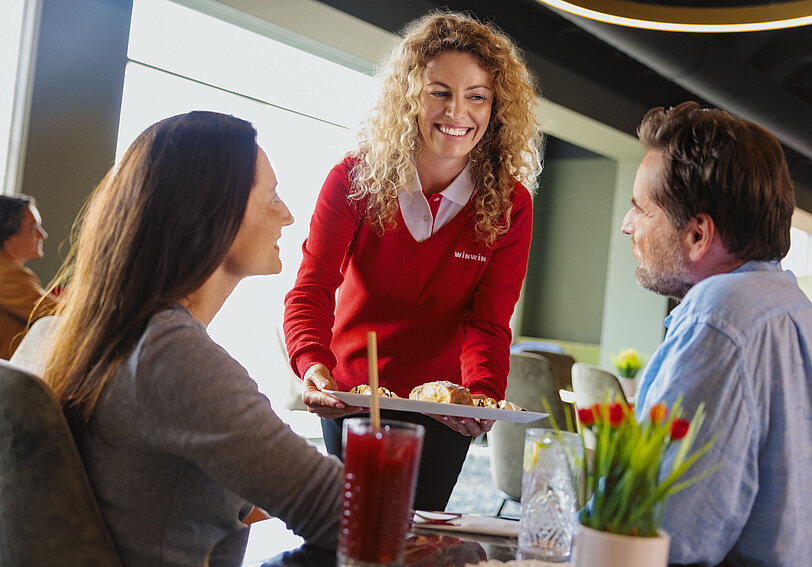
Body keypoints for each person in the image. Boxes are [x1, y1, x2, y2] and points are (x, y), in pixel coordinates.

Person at [41, 111, 342, 567]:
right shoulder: (171, 353)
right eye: (272, 196)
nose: (287, 214)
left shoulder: (74, 332)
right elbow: (340, 512)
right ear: (212, 211)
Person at [283, 11, 542, 511]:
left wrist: (482, 396)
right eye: (439, 91)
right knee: (351, 528)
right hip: (355, 395)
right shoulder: (353, 180)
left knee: (421, 540)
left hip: (446, 409)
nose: (457, 112)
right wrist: (312, 363)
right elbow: (311, 288)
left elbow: (488, 321)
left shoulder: (511, 205)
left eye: (477, 96)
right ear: (409, 95)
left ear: (496, 108)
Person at [621, 101, 812, 566]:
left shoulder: (718, 319)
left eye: (642, 210)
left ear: (697, 235)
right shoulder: (795, 310)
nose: (628, 225)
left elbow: (662, 532)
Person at [0, 194, 57, 359]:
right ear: (9, 232)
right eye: (33, 227)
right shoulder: (7, 273)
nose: (43, 234)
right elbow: (58, 315)